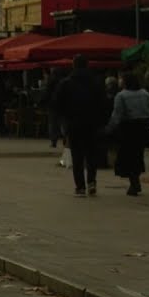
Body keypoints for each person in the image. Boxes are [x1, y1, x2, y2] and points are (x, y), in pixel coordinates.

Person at [54, 55, 109, 196]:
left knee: (77, 156)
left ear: (73, 65)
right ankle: (91, 182)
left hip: (73, 124)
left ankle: (80, 186)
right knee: (92, 155)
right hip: (93, 124)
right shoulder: (97, 82)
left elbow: (58, 104)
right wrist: (102, 122)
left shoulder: (66, 83)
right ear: (87, 65)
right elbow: (104, 104)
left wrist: (63, 122)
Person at [106, 73, 149, 196]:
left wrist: (109, 128)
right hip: (142, 126)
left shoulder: (121, 96)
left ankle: (134, 183)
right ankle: (135, 180)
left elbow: (117, 114)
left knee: (127, 156)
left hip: (127, 128)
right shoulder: (145, 93)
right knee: (138, 154)